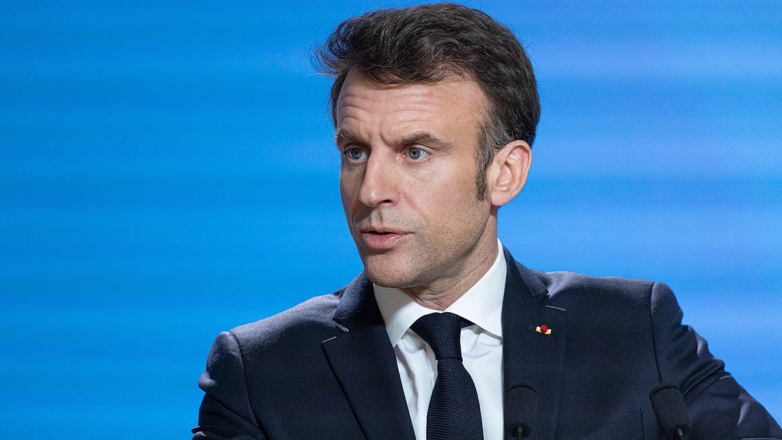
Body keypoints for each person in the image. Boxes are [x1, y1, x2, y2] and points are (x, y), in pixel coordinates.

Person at [192, 3, 781, 439]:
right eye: (355, 151)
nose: (370, 191)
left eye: (415, 152)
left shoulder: (634, 331)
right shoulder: (261, 372)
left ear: (505, 173)